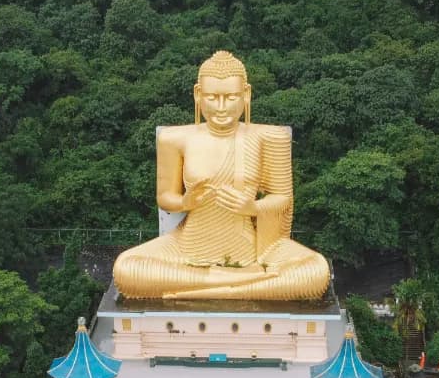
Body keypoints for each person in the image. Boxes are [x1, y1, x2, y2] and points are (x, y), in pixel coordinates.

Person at [113, 51, 331, 300]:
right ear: (198, 94)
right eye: (212, 97)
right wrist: (185, 202)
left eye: (231, 97)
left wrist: (254, 207)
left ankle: (197, 287)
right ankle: (243, 284)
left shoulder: (269, 137)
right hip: (189, 245)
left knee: (316, 271)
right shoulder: (174, 139)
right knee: (126, 268)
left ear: (246, 94)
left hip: (250, 248)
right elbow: (165, 197)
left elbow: (282, 197)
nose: (221, 107)